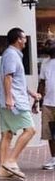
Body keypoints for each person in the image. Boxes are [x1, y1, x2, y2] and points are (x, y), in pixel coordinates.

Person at [0, 27, 41, 180]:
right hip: (14, 102)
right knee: (30, 130)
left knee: (7, 134)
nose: (25, 41)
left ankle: (3, 170)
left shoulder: (11, 54)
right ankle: (11, 160)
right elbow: (7, 77)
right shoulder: (11, 55)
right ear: (18, 39)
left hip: (9, 100)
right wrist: (10, 98)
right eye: (24, 38)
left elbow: (16, 80)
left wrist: (31, 93)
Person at [39, 41, 55, 170]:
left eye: (49, 44)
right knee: (49, 132)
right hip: (48, 103)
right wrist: (37, 100)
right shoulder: (45, 62)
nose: (46, 46)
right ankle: (53, 157)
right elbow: (42, 82)